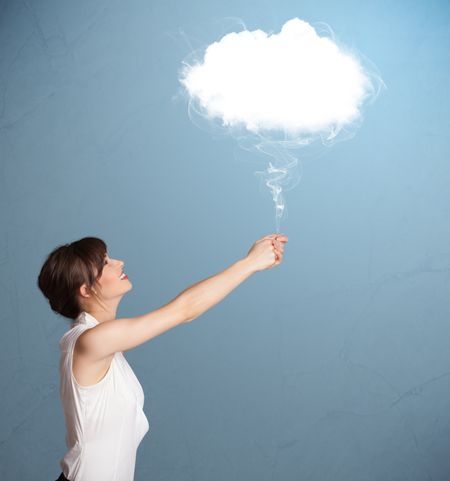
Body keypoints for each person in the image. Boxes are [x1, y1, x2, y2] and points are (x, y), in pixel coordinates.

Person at [37, 233, 288, 481]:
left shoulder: (101, 341)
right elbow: (184, 310)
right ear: (86, 289)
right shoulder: (90, 341)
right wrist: (250, 263)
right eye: (105, 263)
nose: (119, 262)